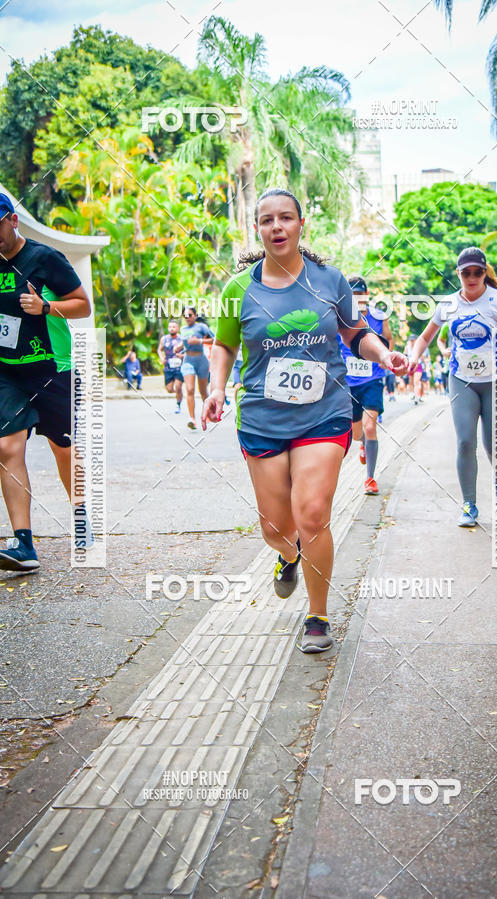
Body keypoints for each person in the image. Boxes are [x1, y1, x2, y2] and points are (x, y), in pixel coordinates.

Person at [201, 188, 408, 652]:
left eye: (286, 218)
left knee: (312, 513)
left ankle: (317, 615)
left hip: (324, 413)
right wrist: (216, 388)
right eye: (267, 220)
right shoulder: (238, 289)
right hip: (261, 417)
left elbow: (356, 333)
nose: (277, 226)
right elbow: (225, 345)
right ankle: (289, 554)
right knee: (275, 528)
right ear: (258, 229)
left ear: (300, 225)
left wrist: (383, 354)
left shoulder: (330, 281)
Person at [0, 192, 92, 570]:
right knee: (7, 448)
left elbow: (82, 304)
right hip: (8, 373)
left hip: (54, 369)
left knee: (63, 448)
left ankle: (81, 514)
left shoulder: (45, 258)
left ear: (12, 221)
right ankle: (24, 545)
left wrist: (46, 307)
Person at [409, 247, 497, 527]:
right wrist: (413, 358)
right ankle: (469, 505)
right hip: (462, 380)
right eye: (466, 273)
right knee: (465, 441)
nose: (472, 278)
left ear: (485, 273)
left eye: (478, 272)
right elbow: (424, 338)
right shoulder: (448, 304)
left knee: (493, 441)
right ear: (458, 274)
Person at [337, 276, 393, 496]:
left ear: (366, 295)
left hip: (372, 379)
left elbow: (389, 339)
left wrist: (384, 357)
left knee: (370, 427)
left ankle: (370, 478)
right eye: (353, 294)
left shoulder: (379, 316)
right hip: (349, 382)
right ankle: (362, 444)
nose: (357, 298)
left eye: (360, 294)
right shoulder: (341, 317)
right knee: (356, 432)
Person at [181, 306, 214, 429]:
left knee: (203, 391)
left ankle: (208, 413)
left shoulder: (201, 327)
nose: (187, 318)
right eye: (185, 316)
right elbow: (185, 344)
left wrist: (199, 341)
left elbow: (214, 340)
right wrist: (179, 347)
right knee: (189, 389)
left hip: (201, 361)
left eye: (190, 315)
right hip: (188, 361)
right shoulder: (183, 329)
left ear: (195, 316)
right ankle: (192, 419)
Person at [158, 319, 184, 412]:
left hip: (179, 367)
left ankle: (178, 405)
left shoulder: (182, 339)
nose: (172, 328)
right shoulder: (164, 339)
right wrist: (162, 358)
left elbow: (189, 351)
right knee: (169, 389)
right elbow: (160, 350)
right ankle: (179, 393)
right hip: (168, 367)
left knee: (178, 386)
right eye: (170, 327)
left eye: (174, 327)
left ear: (178, 328)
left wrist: (183, 356)